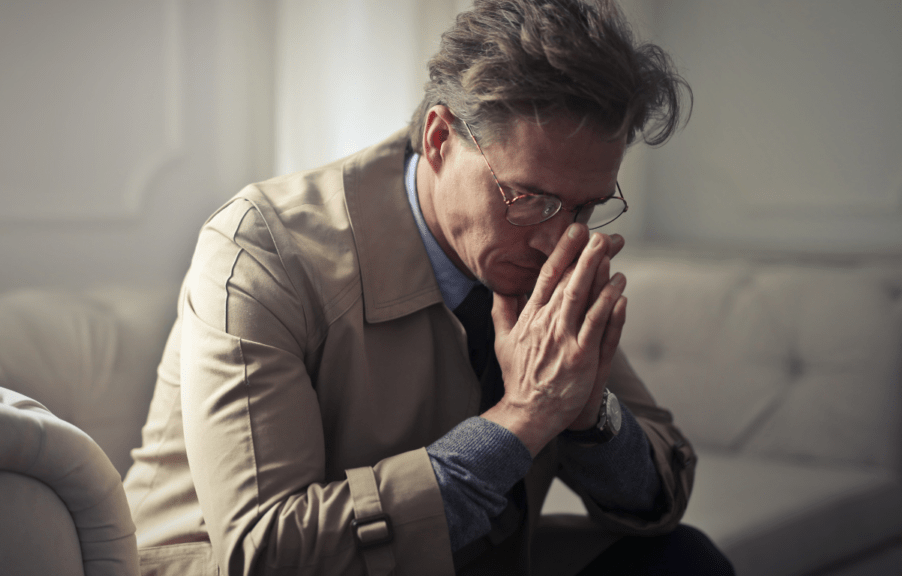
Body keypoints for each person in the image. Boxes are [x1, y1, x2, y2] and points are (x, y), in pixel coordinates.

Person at [123, 0, 734, 574]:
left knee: (684, 561)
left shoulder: (542, 250)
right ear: (441, 138)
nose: (556, 240)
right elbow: (265, 552)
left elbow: (662, 491)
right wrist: (523, 417)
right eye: (530, 198)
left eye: (585, 207)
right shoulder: (263, 248)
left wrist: (586, 411)